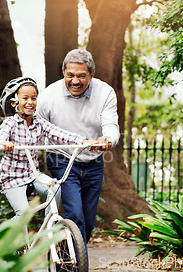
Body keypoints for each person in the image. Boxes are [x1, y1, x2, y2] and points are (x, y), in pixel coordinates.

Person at [36, 49, 120, 245]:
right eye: (70, 75)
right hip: (61, 159)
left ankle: (69, 258)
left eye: (82, 76)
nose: (75, 81)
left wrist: (107, 139)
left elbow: (111, 125)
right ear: (63, 71)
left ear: (92, 74)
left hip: (93, 161)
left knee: (88, 224)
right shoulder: (48, 95)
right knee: (75, 215)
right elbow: (36, 129)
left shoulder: (105, 92)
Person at [0, 76, 95, 218]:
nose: (30, 102)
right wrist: (4, 143)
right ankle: (3, 237)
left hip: (33, 175)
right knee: (23, 214)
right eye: (25, 98)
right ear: (13, 103)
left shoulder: (39, 123)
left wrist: (83, 141)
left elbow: (59, 133)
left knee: (55, 188)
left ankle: (48, 230)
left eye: (33, 98)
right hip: (13, 178)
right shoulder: (10, 123)